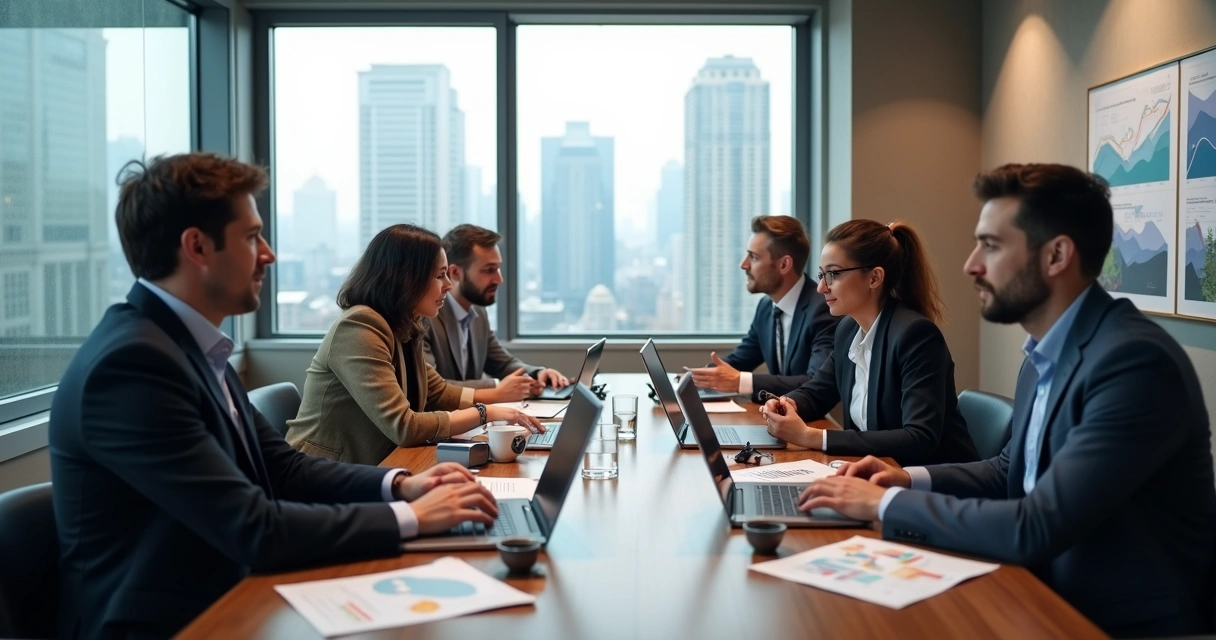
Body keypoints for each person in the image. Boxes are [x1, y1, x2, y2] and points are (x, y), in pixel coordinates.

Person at [49, 153, 500, 638]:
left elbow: (282, 467)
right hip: (178, 620)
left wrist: (398, 486)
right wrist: (408, 518)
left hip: (235, 591)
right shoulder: (133, 366)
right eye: (251, 237)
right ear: (197, 247)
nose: (269, 253)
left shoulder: (187, 347)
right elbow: (253, 528)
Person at [797, 164, 1216, 637]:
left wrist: (885, 503)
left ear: (1057, 255)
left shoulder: (1134, 364)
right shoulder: (1045, 353)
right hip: (1036, 590)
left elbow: (1036, 525)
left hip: (1110, 619)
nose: (972, 264)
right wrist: (906, 477)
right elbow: (1009, 467)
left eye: (991, 246)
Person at [286, 224, 542, 465]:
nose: (449, 285)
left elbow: (437, 392)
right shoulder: (359, 327)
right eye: (440, 275)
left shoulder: (404, 324)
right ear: (408, 278)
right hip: (321, 475)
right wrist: (485, 413)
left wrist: (494, 405)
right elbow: (404, 427)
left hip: (377, 464)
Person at [760, 219, 979, 466]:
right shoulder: (848, 328)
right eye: (822, 275)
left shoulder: (916, 335)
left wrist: (813, 437)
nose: (822, 287)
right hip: (876, 474)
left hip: (936, 487)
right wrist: (786, 404)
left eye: (833, 274)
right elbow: (818, 391)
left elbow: (919, 438)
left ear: (874, 278)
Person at [686, 215, 839, 400]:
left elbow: (814, 383)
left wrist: (740, 382)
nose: (743, 264)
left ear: (784, 264)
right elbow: (739, 361)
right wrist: (692, 380)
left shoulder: (822, 310)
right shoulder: (767, 307)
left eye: (754, 257)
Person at [421, 224, 569, 400]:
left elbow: (501, 363)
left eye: (498, 268)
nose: (499, 279)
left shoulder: (477, 312)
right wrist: (498, 387)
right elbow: (431, 388)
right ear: (455, 273)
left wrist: (538, 374)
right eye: (489, 270)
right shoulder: (425, 317)